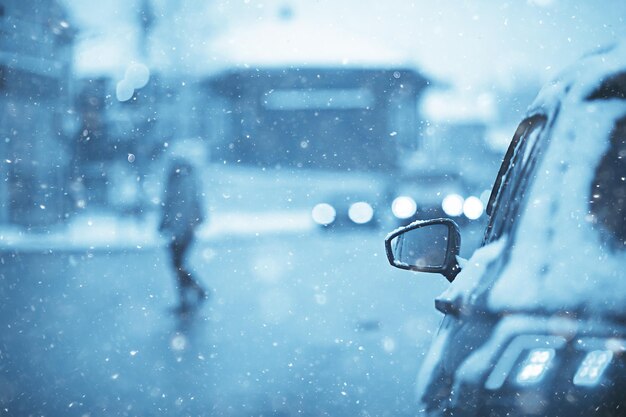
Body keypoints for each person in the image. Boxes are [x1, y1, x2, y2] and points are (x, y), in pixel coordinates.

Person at [159, 157, 208, 311]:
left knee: (177, 265)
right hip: (179, 229)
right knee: (177, 265)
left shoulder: (182, 181)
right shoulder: (180, 180)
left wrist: (179, 228)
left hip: (182, 230)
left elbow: (182, 207)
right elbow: (170, 206)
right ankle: (190, 295)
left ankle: (193, 294)